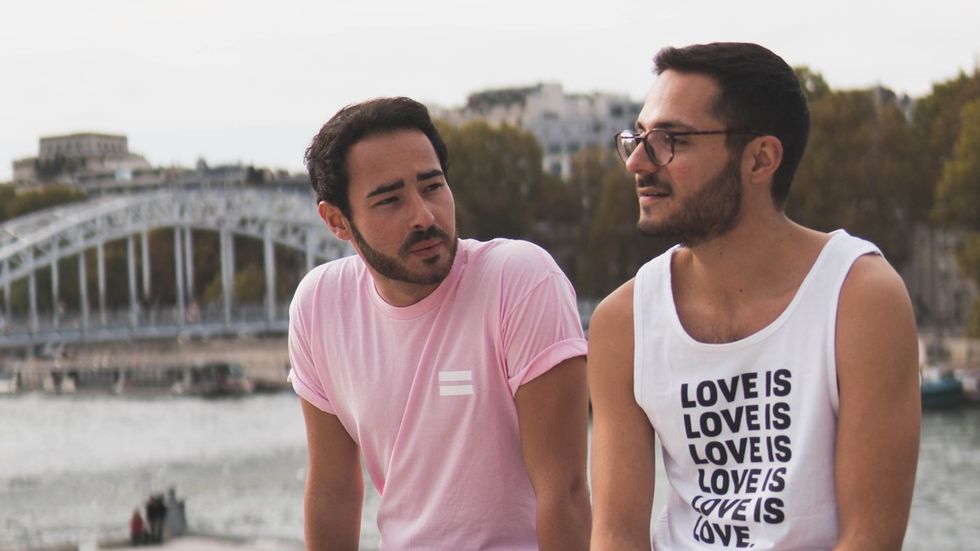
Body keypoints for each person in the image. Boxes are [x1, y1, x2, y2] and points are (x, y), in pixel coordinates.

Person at [588, 42, 920, 550]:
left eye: (670, 139)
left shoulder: (860, 298)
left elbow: (870, 538)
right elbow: (615, 536)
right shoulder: (623, 321)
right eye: (638, 137)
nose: (637, 161)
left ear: (761, 159)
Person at [290, 96, 590, 549]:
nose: (424, 216)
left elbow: (565, 493)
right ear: (337, 221)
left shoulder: (520, 280)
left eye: (432, 187)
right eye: (390, 200)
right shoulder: (319, 305)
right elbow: (333, 491)